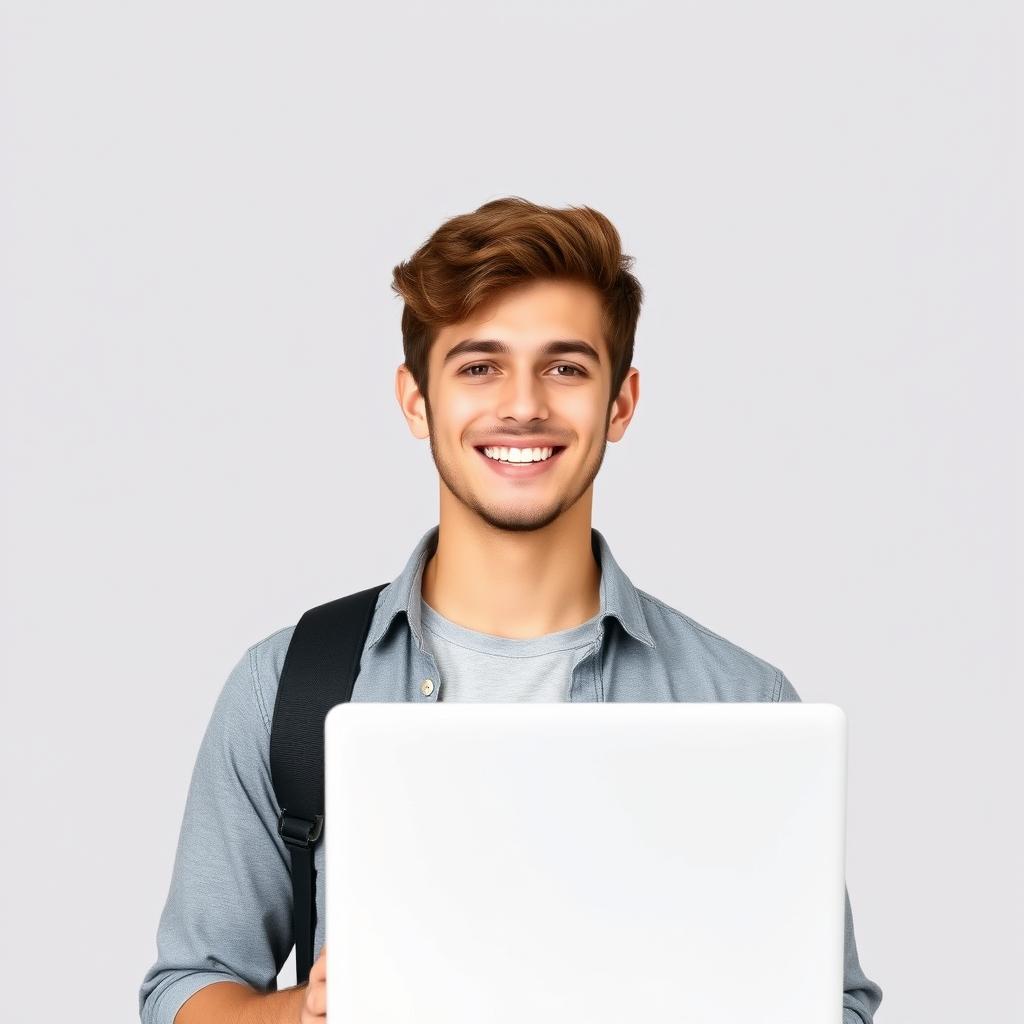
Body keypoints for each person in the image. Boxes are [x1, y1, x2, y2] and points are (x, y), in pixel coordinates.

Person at [139, 196, 884, 1024]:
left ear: (621, 403)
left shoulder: (744, 703)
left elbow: (832, 1003)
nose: (523, 405)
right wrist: (303, 1015)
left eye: (565, 367)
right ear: (417, 400)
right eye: (478, 366)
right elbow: (184, 990)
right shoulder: (287, 686)